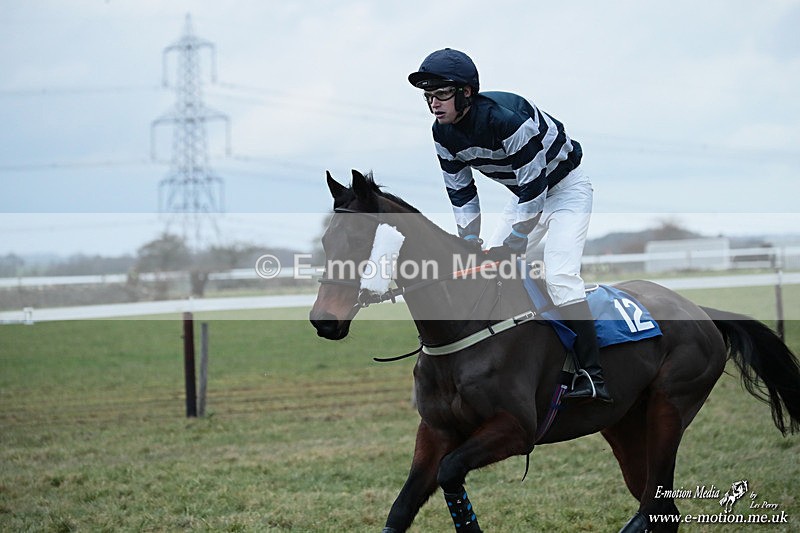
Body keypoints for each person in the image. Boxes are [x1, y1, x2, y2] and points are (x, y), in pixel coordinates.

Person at [408, 48, 611, 402]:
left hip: (566, 190)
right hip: (523, 195)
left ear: (465, 92)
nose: (434, 104)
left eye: (441, 94)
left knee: (561, 277)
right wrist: (469, 241)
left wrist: (516, 241)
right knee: (486, 270)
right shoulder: (442, 133)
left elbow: (536, 187)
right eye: (429, 96)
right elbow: (461, 191)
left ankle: (593, 377)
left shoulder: (507, 122)